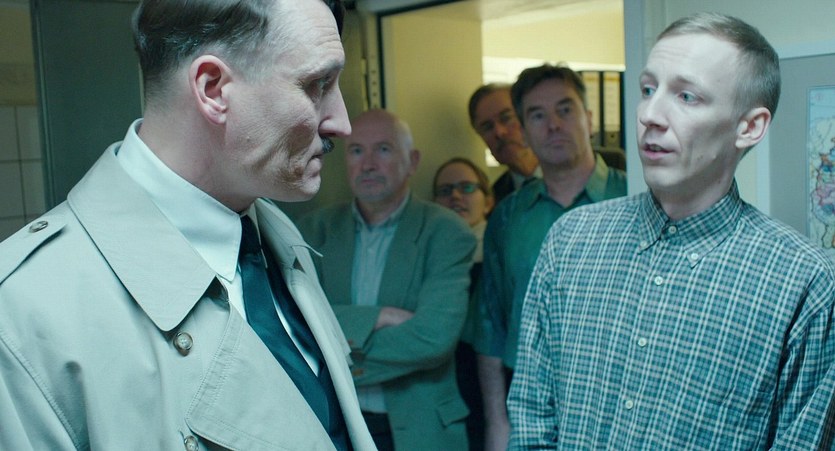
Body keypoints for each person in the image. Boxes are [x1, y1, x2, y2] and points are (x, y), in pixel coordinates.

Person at [0, 0, 377, 449]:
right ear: (213, 88)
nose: (342, 123)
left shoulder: (273, 234)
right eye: (318, 84)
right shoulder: (23, 314)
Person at [508, 13, 835, 449]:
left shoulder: (803, 281)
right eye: (648, 89)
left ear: (749, 127)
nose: (650, 114)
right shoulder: (572, 240)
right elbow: (532, 414)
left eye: (686, 96)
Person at [298, 109, 476, 450]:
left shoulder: (446, 232)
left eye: (383, 149)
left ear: (412, 161)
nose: (367, 164)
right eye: (356, 150)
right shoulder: (312, 231)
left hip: (423, 430)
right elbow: (300, 325)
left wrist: (338, 365)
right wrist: (379, 316)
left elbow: (433, 339)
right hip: (336, 427)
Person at [476, 63, 627, 451]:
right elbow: (491, 328)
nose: (554, 125)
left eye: (565, 109)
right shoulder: (506, 217)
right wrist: (497, 423)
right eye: (538, 115)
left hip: (624, 402)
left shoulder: (638, 198)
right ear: (525, 132)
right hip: (532, 407)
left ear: (589, 119)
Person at [432, 157, 495, 451]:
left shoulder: (499, 252)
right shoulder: (429, 256)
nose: (455, 196)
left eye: (467, 187)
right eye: (445, 191)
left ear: (488, 201)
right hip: (443, 391)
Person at [469, 83, 540, 205]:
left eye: (506, 118)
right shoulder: (495, 201)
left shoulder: (571, 170)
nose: (499, 132)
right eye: (487, 127)